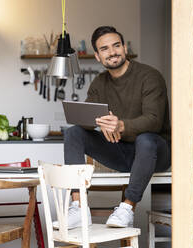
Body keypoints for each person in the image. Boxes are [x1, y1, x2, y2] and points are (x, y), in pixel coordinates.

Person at [55, 26, 171, 229]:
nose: (112, 52)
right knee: (74, 132)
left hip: (155, 152)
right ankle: (79, 206)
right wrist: (99, 121)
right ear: (98, 56)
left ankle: (127, 207)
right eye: (105, 49)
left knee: (145, 139)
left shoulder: (150, 76)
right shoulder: (99, 84)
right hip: (122, 152)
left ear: (124, 48)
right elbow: (88, 119)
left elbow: (154, 121)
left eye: (116, 46)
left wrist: (121, 125)